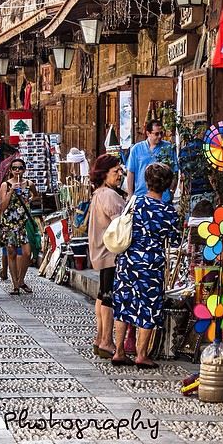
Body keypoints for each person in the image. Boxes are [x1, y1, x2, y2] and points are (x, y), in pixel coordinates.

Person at [112, 162, 179, 367]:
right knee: (149, 306)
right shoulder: (168, 212)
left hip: (128, 260)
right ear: (168, 185)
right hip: (151, 263)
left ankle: (119, 351)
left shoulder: (135, 202)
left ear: (146, 182)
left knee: (124, 303)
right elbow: (174, 240)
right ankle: (141, 354)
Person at [88, 154, 125, 359]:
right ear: (104, 174)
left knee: (103, 295)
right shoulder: (109, 196)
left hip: (102, 252)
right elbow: (121, 225)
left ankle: (100, 337)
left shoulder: (99, 193)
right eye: (115, 171)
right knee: (109, 296)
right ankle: (106, 341)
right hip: (110, 252)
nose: (120, 174)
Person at [0, 158, 39, 295]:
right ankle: (15, 285)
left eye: (20, 168)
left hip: (23, 222)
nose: (17, 171)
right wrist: (11, 192)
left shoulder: (29, 184)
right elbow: (2, 206)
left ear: (24, 170)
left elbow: (36, 195)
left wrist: (28, 200)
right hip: (10, 223)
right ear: (11, 170)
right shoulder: (6, 185)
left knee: (27, 253)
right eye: (14, 168)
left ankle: (21, 280)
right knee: (12, 252)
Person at [126, 119, 178, 203]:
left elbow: (175, 171)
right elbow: (131, 172)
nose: (160, 136)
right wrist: (130, 194)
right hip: (141, 196)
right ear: (148, 133)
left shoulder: (168, 147)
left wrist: (172, 191)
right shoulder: (136, 149)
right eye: (156, 134)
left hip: (163, 197)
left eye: (161, 133)